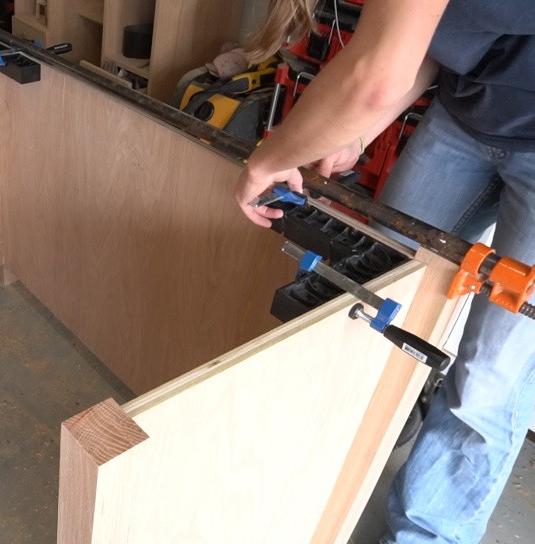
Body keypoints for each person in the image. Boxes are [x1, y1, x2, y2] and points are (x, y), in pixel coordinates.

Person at [235, 1, 535, 542]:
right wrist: (355, 131)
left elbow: (376, 75)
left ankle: (425, 534)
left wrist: (268, 159)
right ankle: (326, 471)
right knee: (370, 296)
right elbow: (419, 47)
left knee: (490, 376)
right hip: (468, 115)